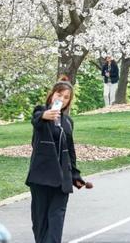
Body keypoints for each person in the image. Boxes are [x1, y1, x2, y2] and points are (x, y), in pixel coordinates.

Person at [26, 76, 93, 243]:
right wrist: (44, 116)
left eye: (66, 97)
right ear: (52, 95)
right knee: (40, 221)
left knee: (56, 219)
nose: (61, 99)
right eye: (59, 95)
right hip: (41, 176)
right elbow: (36, 120)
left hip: (62, 178)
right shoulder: (40, 112)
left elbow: (70, 150)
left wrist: (76, 176)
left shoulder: (68, 122)